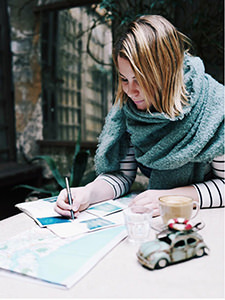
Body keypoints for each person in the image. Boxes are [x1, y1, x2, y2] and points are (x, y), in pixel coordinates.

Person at [55, 14, 224, 219]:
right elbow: (122, 175)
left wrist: (172, 197)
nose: (130, 91)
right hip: (156, 223)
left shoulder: (214, 108)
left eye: (140, 80)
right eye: (124, 79)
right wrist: (87, 193)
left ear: (166, 72)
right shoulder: (130, 110)